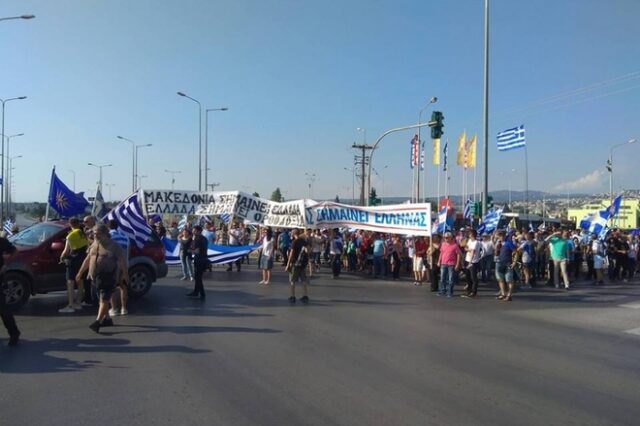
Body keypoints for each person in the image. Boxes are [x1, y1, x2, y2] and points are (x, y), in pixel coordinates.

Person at [76, 224, 128, 334]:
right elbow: (88, 259)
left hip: (108, 276)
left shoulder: (114, 246)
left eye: (98, 233)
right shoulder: (94, 243)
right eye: (94, 233)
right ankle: (107, 319)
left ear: (105, 234)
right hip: (94, 276)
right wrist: (80, 273)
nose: (95, 235)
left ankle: (97, 322)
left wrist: (125, 274)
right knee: (99, 299)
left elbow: (122, 261)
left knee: (104, 299)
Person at [58, 217, 89, 313]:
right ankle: (78, 303)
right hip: (83, 259)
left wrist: (61, 258)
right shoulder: (83, 233)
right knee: (80, 281)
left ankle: (71, 305)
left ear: (70, 224)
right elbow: (87, 247)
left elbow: (66, 251)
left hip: (73, 260)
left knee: (70, 283)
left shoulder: (71, 235)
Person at [108, 219, 130, 316]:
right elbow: (128, 251)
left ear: (108, 227)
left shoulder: (109, 237)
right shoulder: (125, 236)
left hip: (113, 264)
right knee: (123, 286)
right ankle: (124, 309)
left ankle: (114, 309)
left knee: (111, 287)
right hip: (124, 264)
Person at [0, 235, 19, 346]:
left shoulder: (1, 242)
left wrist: (5, 265)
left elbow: (15, 252)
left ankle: (14, 333)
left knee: (3, 310)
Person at [286, 229, 309, 304]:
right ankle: (305, 295)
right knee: (303, 280)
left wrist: (287, 264)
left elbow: (291, 254)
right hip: (302, 264)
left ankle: (292, 296)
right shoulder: (303, 241)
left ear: (293, 234)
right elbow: (308, 251)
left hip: (295, 263)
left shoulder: (294, 242)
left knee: (292, 280)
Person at [437, 231, 462, 298]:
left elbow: (459, 255)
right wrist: (439, 261)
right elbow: (441, 253)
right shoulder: (443, 244)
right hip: (443, 263)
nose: (446, 239)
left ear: (451, 238)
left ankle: (450, 292)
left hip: (451, 264)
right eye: (445, 237)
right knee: (442, 278)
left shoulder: (455, 245)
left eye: (447, 237)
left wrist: (457, 264)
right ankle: (443, 290)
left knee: (451, 279)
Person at [187, 225, 208, 300]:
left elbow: (197, 251)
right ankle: (196, 291)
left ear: (198, 231)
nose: (193, 231)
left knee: (198, 277)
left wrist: (190, 251)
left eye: (194, 230)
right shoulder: (203, 238)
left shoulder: (198, 239)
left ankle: (202, 293)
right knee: (198, 276)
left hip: (199, 259)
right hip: (203, 259)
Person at [495, 231, 517, 301]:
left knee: (509, 279)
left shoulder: (508, 243)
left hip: (508, 263)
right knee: (500, 279)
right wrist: (497, 246)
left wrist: (514, 262)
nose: (500, 237)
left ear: (504, 236)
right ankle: (503, 293)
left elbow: (515, 252)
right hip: (499, 263)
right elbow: (495, 253)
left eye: (501, 235)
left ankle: (509, 295)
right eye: (499, 235)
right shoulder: (498, 244)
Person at [462, 229, 482, 298]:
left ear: (472, 235)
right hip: (467, 259)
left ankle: (474, 292)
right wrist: (468, 249)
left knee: (473, 278)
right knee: (468, 277)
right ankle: (469, 291)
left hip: (473, 261)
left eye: (469, 234)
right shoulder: (470, 241)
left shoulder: (476, 242)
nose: (468, 235)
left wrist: (470, 262)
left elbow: (473, 252)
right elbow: (465, 248)